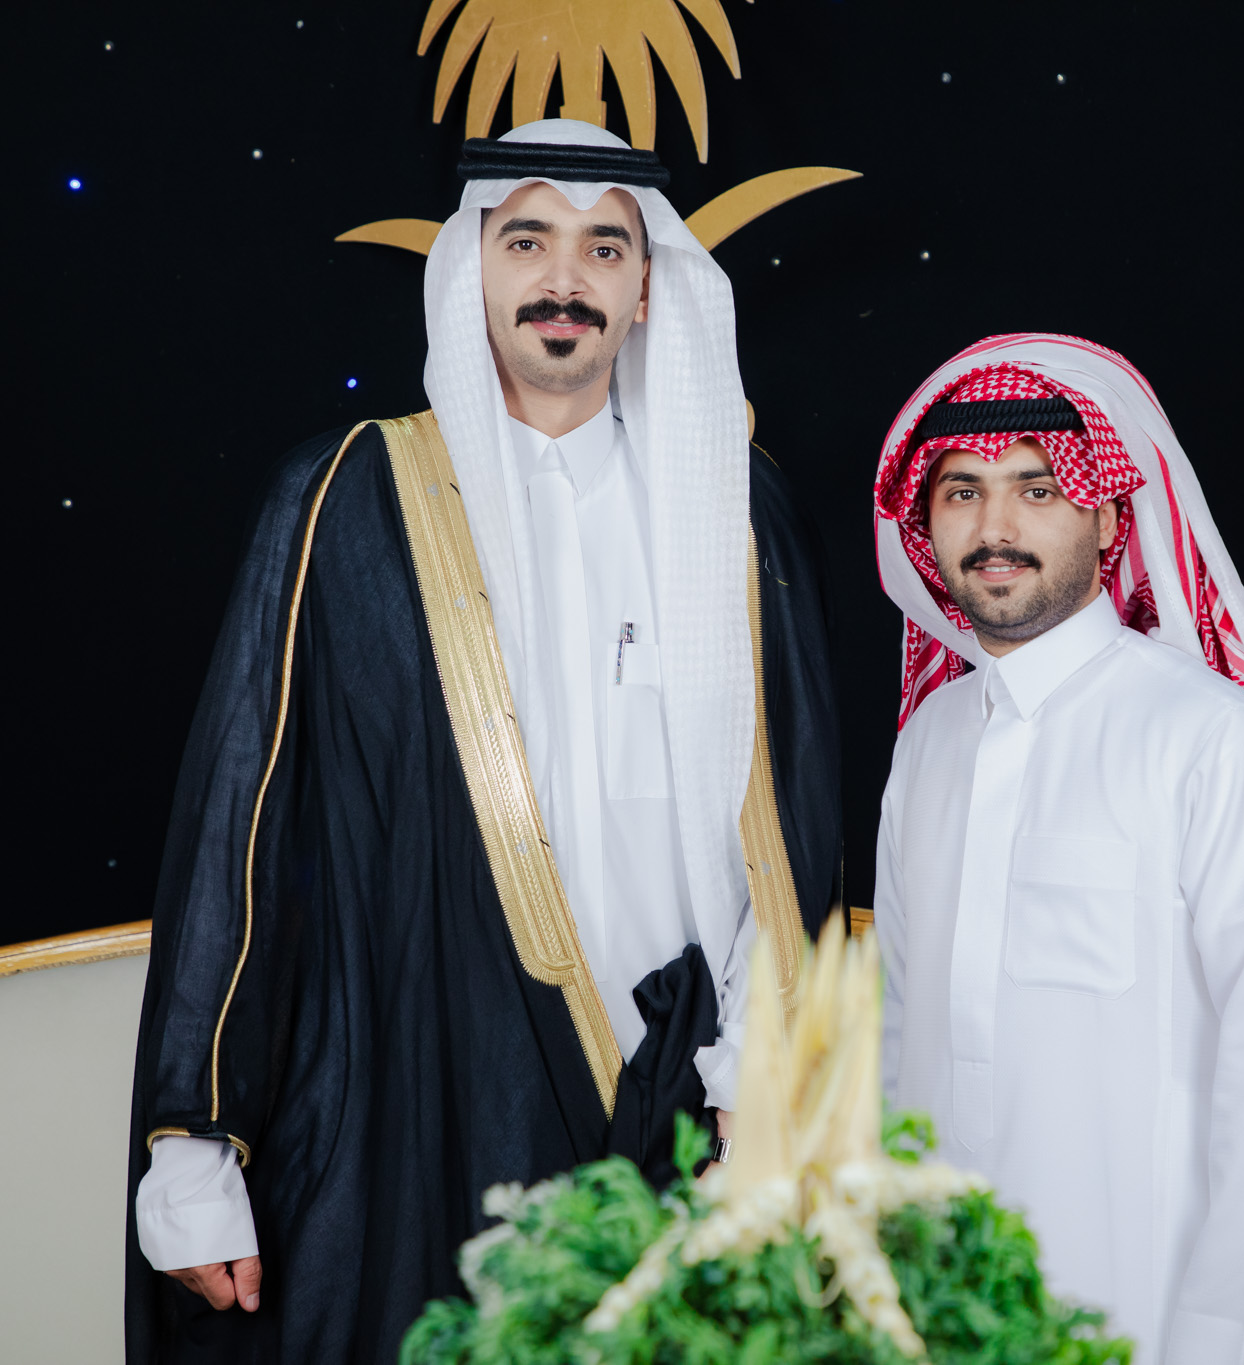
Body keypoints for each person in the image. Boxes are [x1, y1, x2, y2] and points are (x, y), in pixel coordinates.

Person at [124, 120, 841, 1363]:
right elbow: (245, 816)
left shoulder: (735, 504)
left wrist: (756, 1084)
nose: (564, 278)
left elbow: (794, 820)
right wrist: (195, 1137)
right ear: (470, 268)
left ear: (646, 288)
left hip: (688, 1098)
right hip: (427, 1082)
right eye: (527, 241)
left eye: (603, 248)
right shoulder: (347, 496)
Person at [870, 335, 1244, 1364]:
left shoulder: (1215, 740)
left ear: (1109, 515)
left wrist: (1224, 1333)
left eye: (1036, 489)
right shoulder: (928, 745)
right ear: (925, 524)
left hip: (1153, 1315)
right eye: (961, 492)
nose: (994, 528)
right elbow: (899, 1037)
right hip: (939, 1314)